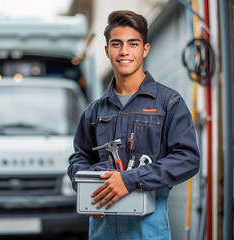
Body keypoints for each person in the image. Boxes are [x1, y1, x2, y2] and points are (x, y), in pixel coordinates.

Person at [67, 10, 200, 240]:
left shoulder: (168, 103)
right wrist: (88, 187)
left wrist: (130, 179)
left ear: (145, 49)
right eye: (116, 44)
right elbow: (79, 158)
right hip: (103, 227)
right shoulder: (95, 111)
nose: (124, 51)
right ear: (107, 50)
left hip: (148, 227)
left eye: (133, 43)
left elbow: (187, 159)